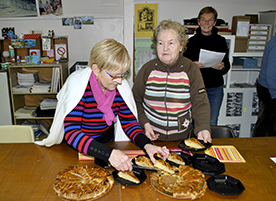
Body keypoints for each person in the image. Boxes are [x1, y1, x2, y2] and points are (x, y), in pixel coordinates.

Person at [36, 39, 169, 171]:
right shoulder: (79, 88)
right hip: (79, 147)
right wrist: (108, 153)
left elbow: (129, 123)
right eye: (115, 76)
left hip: (106, 143)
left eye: (123, 75)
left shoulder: (118, 89)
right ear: (96, 69)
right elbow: (71, 132)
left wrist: (147, 145)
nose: (120, 81)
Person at [132, 20, 212, 143]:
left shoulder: (191, 69)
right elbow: (135, 100)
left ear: (181, 46)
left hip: (181, 139)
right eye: (160, 43)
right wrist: (145, 124)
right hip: (150, 138)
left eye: (171, 43)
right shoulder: (147, 69)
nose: (165, 48)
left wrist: (203, 128)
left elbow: (200, 103)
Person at [183, 6, 230, 126]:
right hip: (196, 87)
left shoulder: (221, 40)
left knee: (212, 121)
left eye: (210, 20)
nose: (206, 23)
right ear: (198, 22)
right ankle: (194, 144)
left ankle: (209, 144)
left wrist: (222, 66)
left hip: (215, 87)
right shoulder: (191, 42)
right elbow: (183, 66)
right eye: (203, 19)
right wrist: (193, 65)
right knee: (195, 121)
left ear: (214, 23)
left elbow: (227, 64)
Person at [253, 35, 276, 137]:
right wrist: (274, 94)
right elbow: (271, 74)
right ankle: (259, 151)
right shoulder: (275, 45)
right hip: (270, 90)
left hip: (268, 88)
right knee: (266, 126)